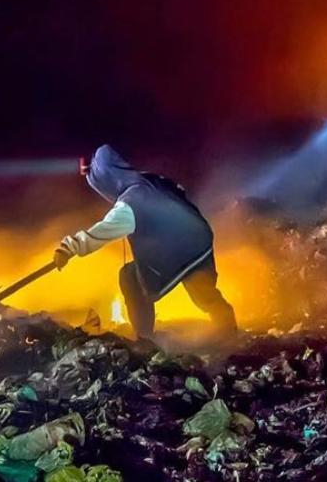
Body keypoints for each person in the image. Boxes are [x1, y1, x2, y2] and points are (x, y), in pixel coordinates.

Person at [53, 144, 237, 338]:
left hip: (175, 251)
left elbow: (101, 232)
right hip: (199, 240)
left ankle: (144, 339)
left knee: (129, 277)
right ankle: (227, 326)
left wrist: (68, 248)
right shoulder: (151, 180)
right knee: (203, 293)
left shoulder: (130, 204)